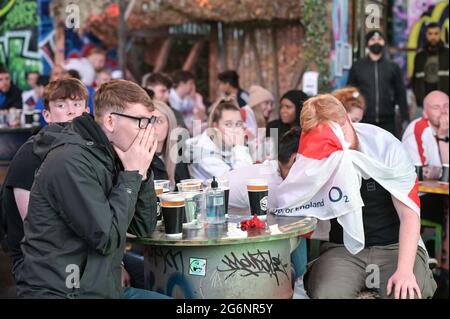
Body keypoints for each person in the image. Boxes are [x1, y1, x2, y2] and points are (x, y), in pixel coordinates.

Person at [272, 94, 436, 299]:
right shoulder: (315, 157)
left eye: (341, 129)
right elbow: (289, 200)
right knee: (327, 294)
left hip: (393, 246)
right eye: (328, 139)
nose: (340, 142)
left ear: (349, 120)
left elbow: (410, 214)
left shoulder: (385, 147)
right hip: (343, 249)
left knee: (406, 292)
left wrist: (405, 270)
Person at [15, 79, 168, 299]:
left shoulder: (113, 155)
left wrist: (141, 176)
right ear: (110, 121)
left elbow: (143, 227)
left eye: (150, 121)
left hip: (101, 289)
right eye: (141, 122)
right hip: (63, 293)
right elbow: (105, 238)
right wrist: (132, 174)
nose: (148, 131)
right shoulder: (69, 161)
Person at [1, 78, 90, 284]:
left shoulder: (86, 151)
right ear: (47, 115)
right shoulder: (30, 156)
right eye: (61, 105)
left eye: (77, 104)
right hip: (37, 262)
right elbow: (36, 229)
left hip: (79, 254)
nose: (71, 111)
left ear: (86, 110)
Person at [402, 91, 448, 230]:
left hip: (439, 193)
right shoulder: (418, 129)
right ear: (425, 113)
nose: (443, 112)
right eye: (436, 107)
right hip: (419, 196)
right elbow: (420, 175)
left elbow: (442, 174)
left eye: (447, 106)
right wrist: (442, 138)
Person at [348, 30, 409, 135]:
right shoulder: (357, 66)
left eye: (379, 39)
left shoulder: (393, 67)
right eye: (373, 39)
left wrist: (405, 117)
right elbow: (350, 92)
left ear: (384, 43)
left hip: (388, 120)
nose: (376, 42)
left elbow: (400, 93)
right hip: (364, 119)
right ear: (367, 43)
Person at [185, 97, 253, 183]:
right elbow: (238, 183)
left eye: (238, 124)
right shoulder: (204, 152)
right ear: (215, 127)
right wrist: (240, 147)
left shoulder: (231, 146)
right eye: (228, 124)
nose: (235, 130)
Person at [150, 101, 190, 190]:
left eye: (159, 121)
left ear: (170, 126)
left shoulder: (177, 156)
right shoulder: (142, 158)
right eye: (150, 120)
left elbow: (187, 191)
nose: (152, 126)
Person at [412, 22, 449, 108]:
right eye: (430, 34)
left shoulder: (447, 54)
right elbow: (414, 80)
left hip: (445, 103)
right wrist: (418, 98)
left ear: (440, 34)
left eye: (436, 33)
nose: (433, 37)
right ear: (426, 35)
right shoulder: (419, 56)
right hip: (424, 103)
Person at [169, 70, 205, 134]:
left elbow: (201, 118)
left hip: (193, 131)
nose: (193, 86)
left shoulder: (195, 96)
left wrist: (194, 99)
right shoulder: (169, 97)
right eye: (191, 83)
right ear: (182, 84)